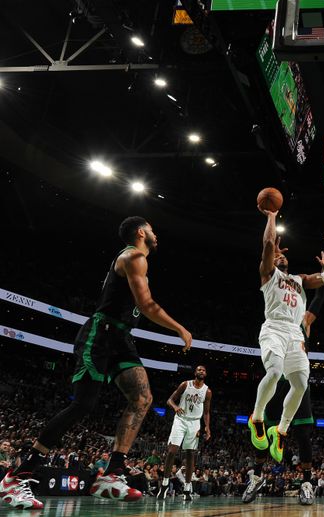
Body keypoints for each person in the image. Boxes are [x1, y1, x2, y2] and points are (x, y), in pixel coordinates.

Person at [0, 217, 192, 509]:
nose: (156, 234)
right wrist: (180, 328)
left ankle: (112, 473)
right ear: (141, 233)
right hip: (99, 335)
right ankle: (18, 475)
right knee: (83, 405)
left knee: (143, 398)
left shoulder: (139, 259)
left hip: (121, 337)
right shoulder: (133, 255)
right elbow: (146, 305)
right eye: (152, 229)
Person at [247, 208, 324, 476]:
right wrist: (271, 216)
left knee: (300, 384)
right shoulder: (268, 274)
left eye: (283, 254)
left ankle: (282, 430)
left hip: (295, 334)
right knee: (274, 372)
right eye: (278, 255)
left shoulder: (299, 280)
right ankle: (257, 418)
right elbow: (267, 244)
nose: (282, 255)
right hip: (274, 328)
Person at [243, 250, 324, 506]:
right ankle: (257, 477)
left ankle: (306, 483)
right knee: (264, 431)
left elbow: (319, 296)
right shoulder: (278, 303)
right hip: (277, 373)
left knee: (303, 433)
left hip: (296, 377)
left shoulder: (304, 320)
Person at [156, 365, 212, 502]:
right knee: (172, 451)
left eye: (204, 370)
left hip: (195, 423)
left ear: (206, 374)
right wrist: (175, 407)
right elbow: (169, 400)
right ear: (195, 372)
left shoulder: (207, 391)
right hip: (180, 420)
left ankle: (187, 489)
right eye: (199, 369)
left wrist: (207, 428)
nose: (201, 371)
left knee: (190, 454)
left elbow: (206, 412)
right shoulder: (185, 384)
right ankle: (164, 485)